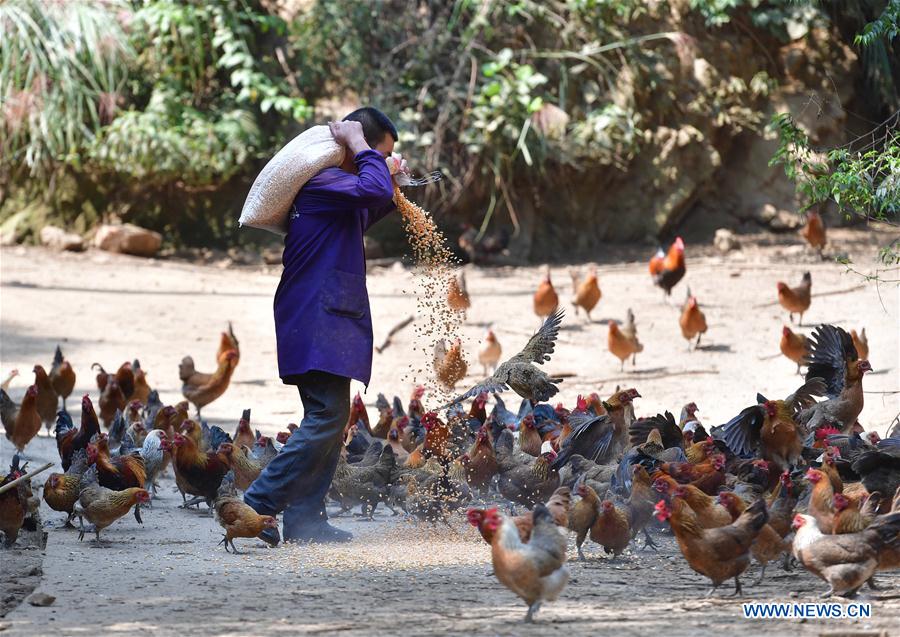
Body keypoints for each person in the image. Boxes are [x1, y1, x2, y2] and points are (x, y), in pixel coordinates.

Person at [244, 107, 400, 544]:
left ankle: (305, 518)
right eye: (378, 153)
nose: (382, 163)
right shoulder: (323, 180)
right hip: (315, 316)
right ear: (352, 146)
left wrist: (392, 187)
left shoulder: (338, 191)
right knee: (327, 417)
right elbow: (368, 188)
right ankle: (256, 503)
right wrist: (362, 148)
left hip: (325, 314)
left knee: (329, 420)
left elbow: (363, 210)